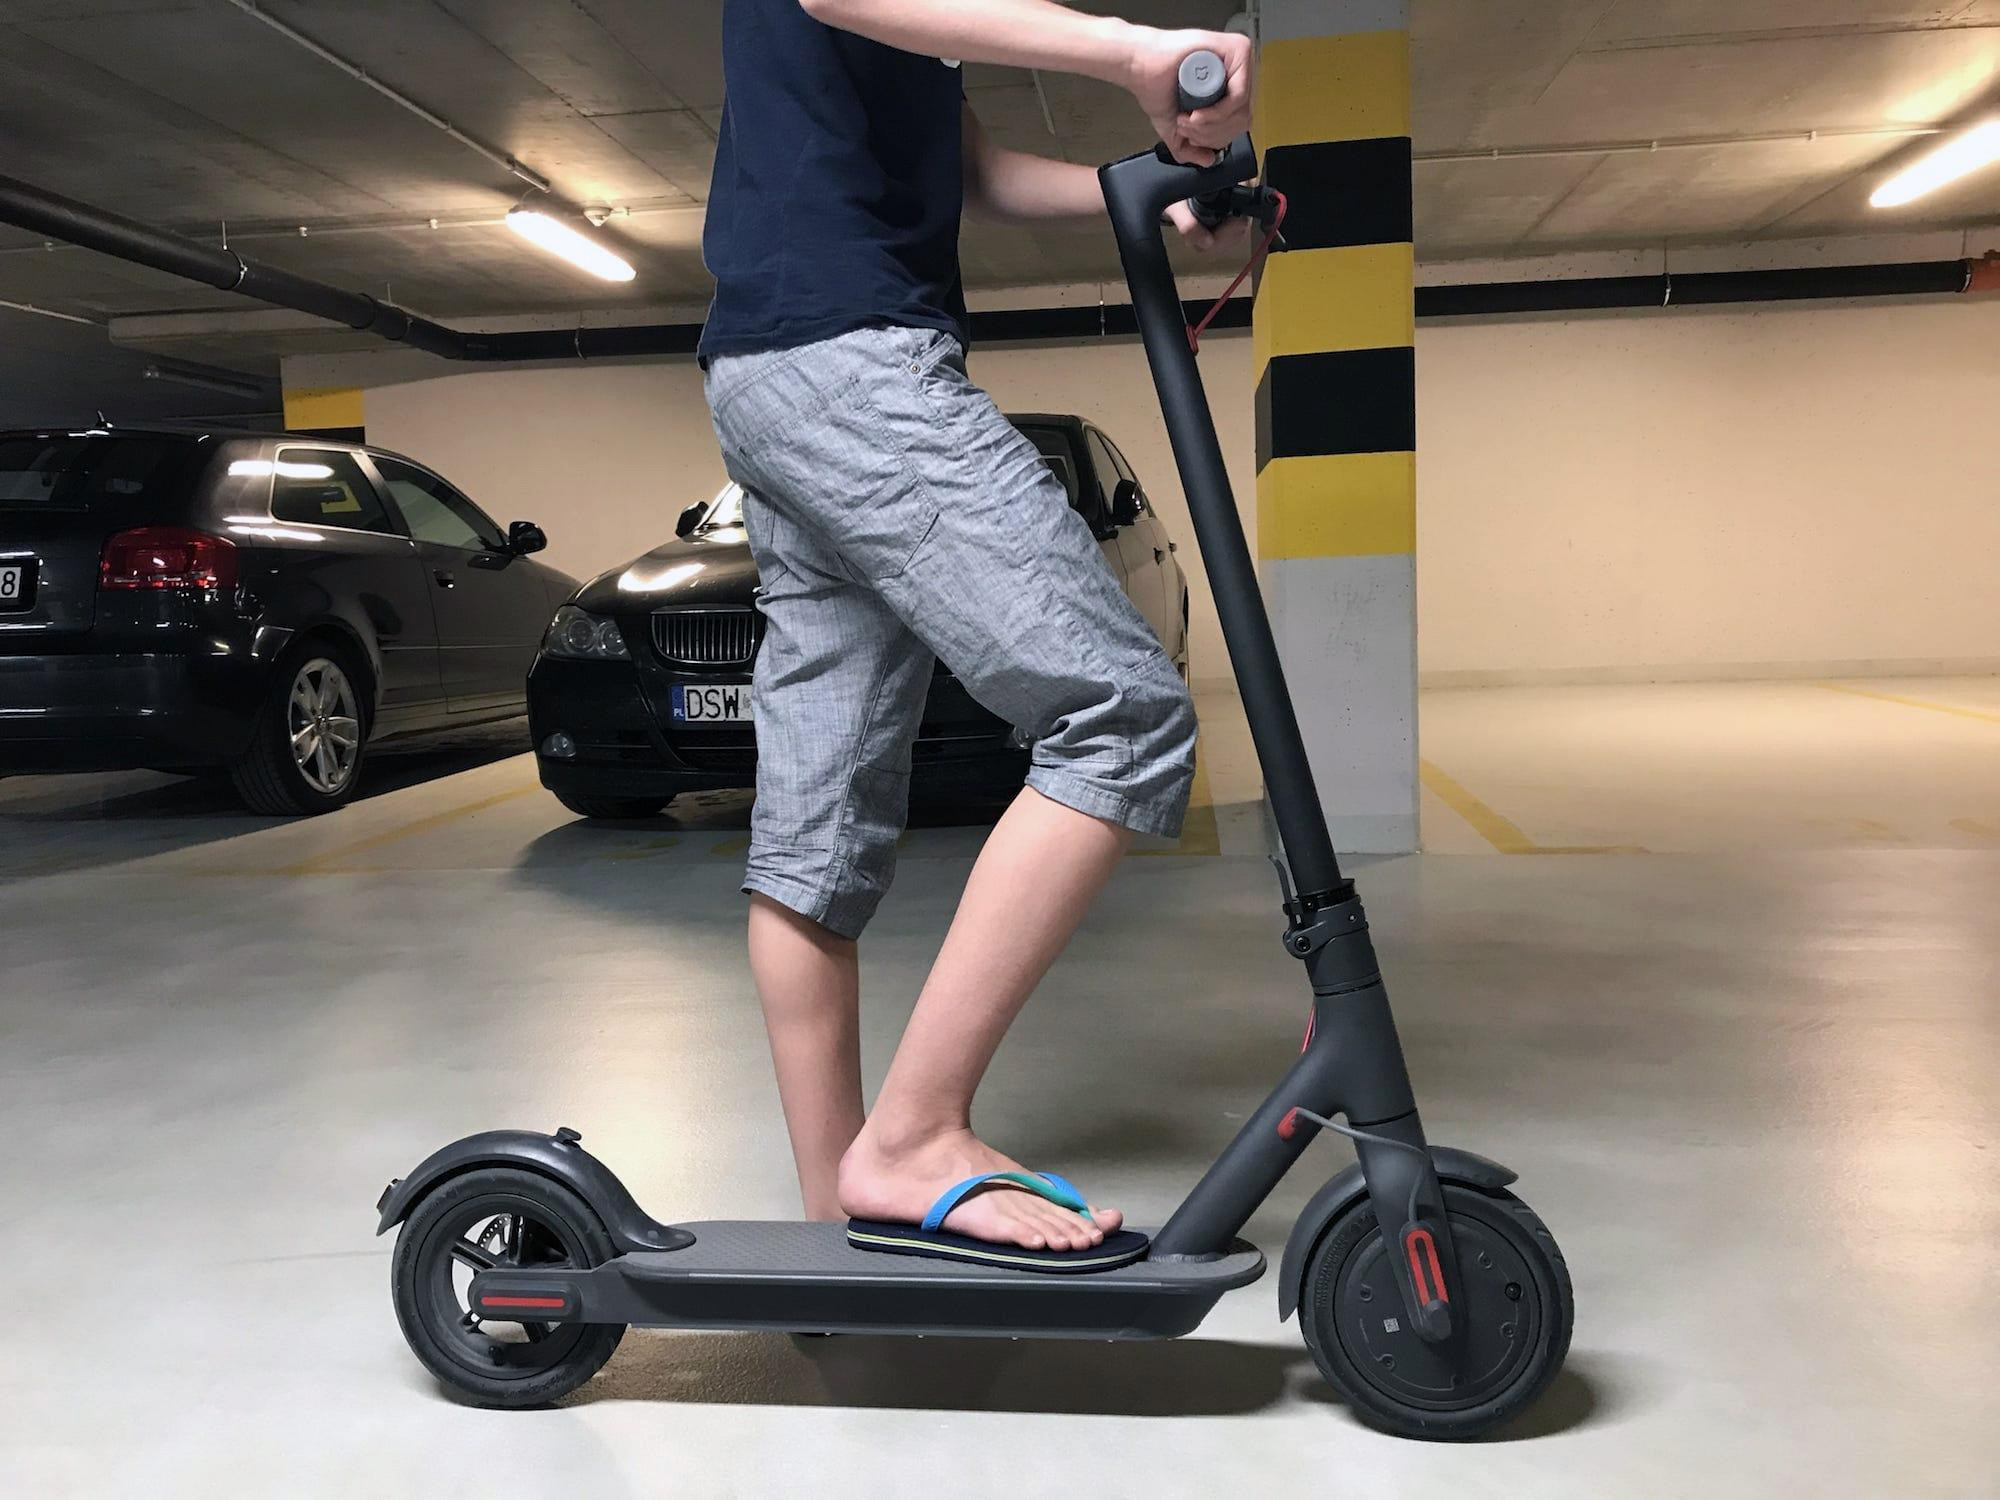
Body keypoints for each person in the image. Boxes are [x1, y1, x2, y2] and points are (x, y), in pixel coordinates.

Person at [697, 0, 1254, 1262]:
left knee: (814, 839)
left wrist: (1141, 189)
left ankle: (838, 1226)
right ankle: (910, 1137)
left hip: (781, 370)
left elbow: (972, 171)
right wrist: (1129, 52)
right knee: (1121, 716)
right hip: (849, 359)